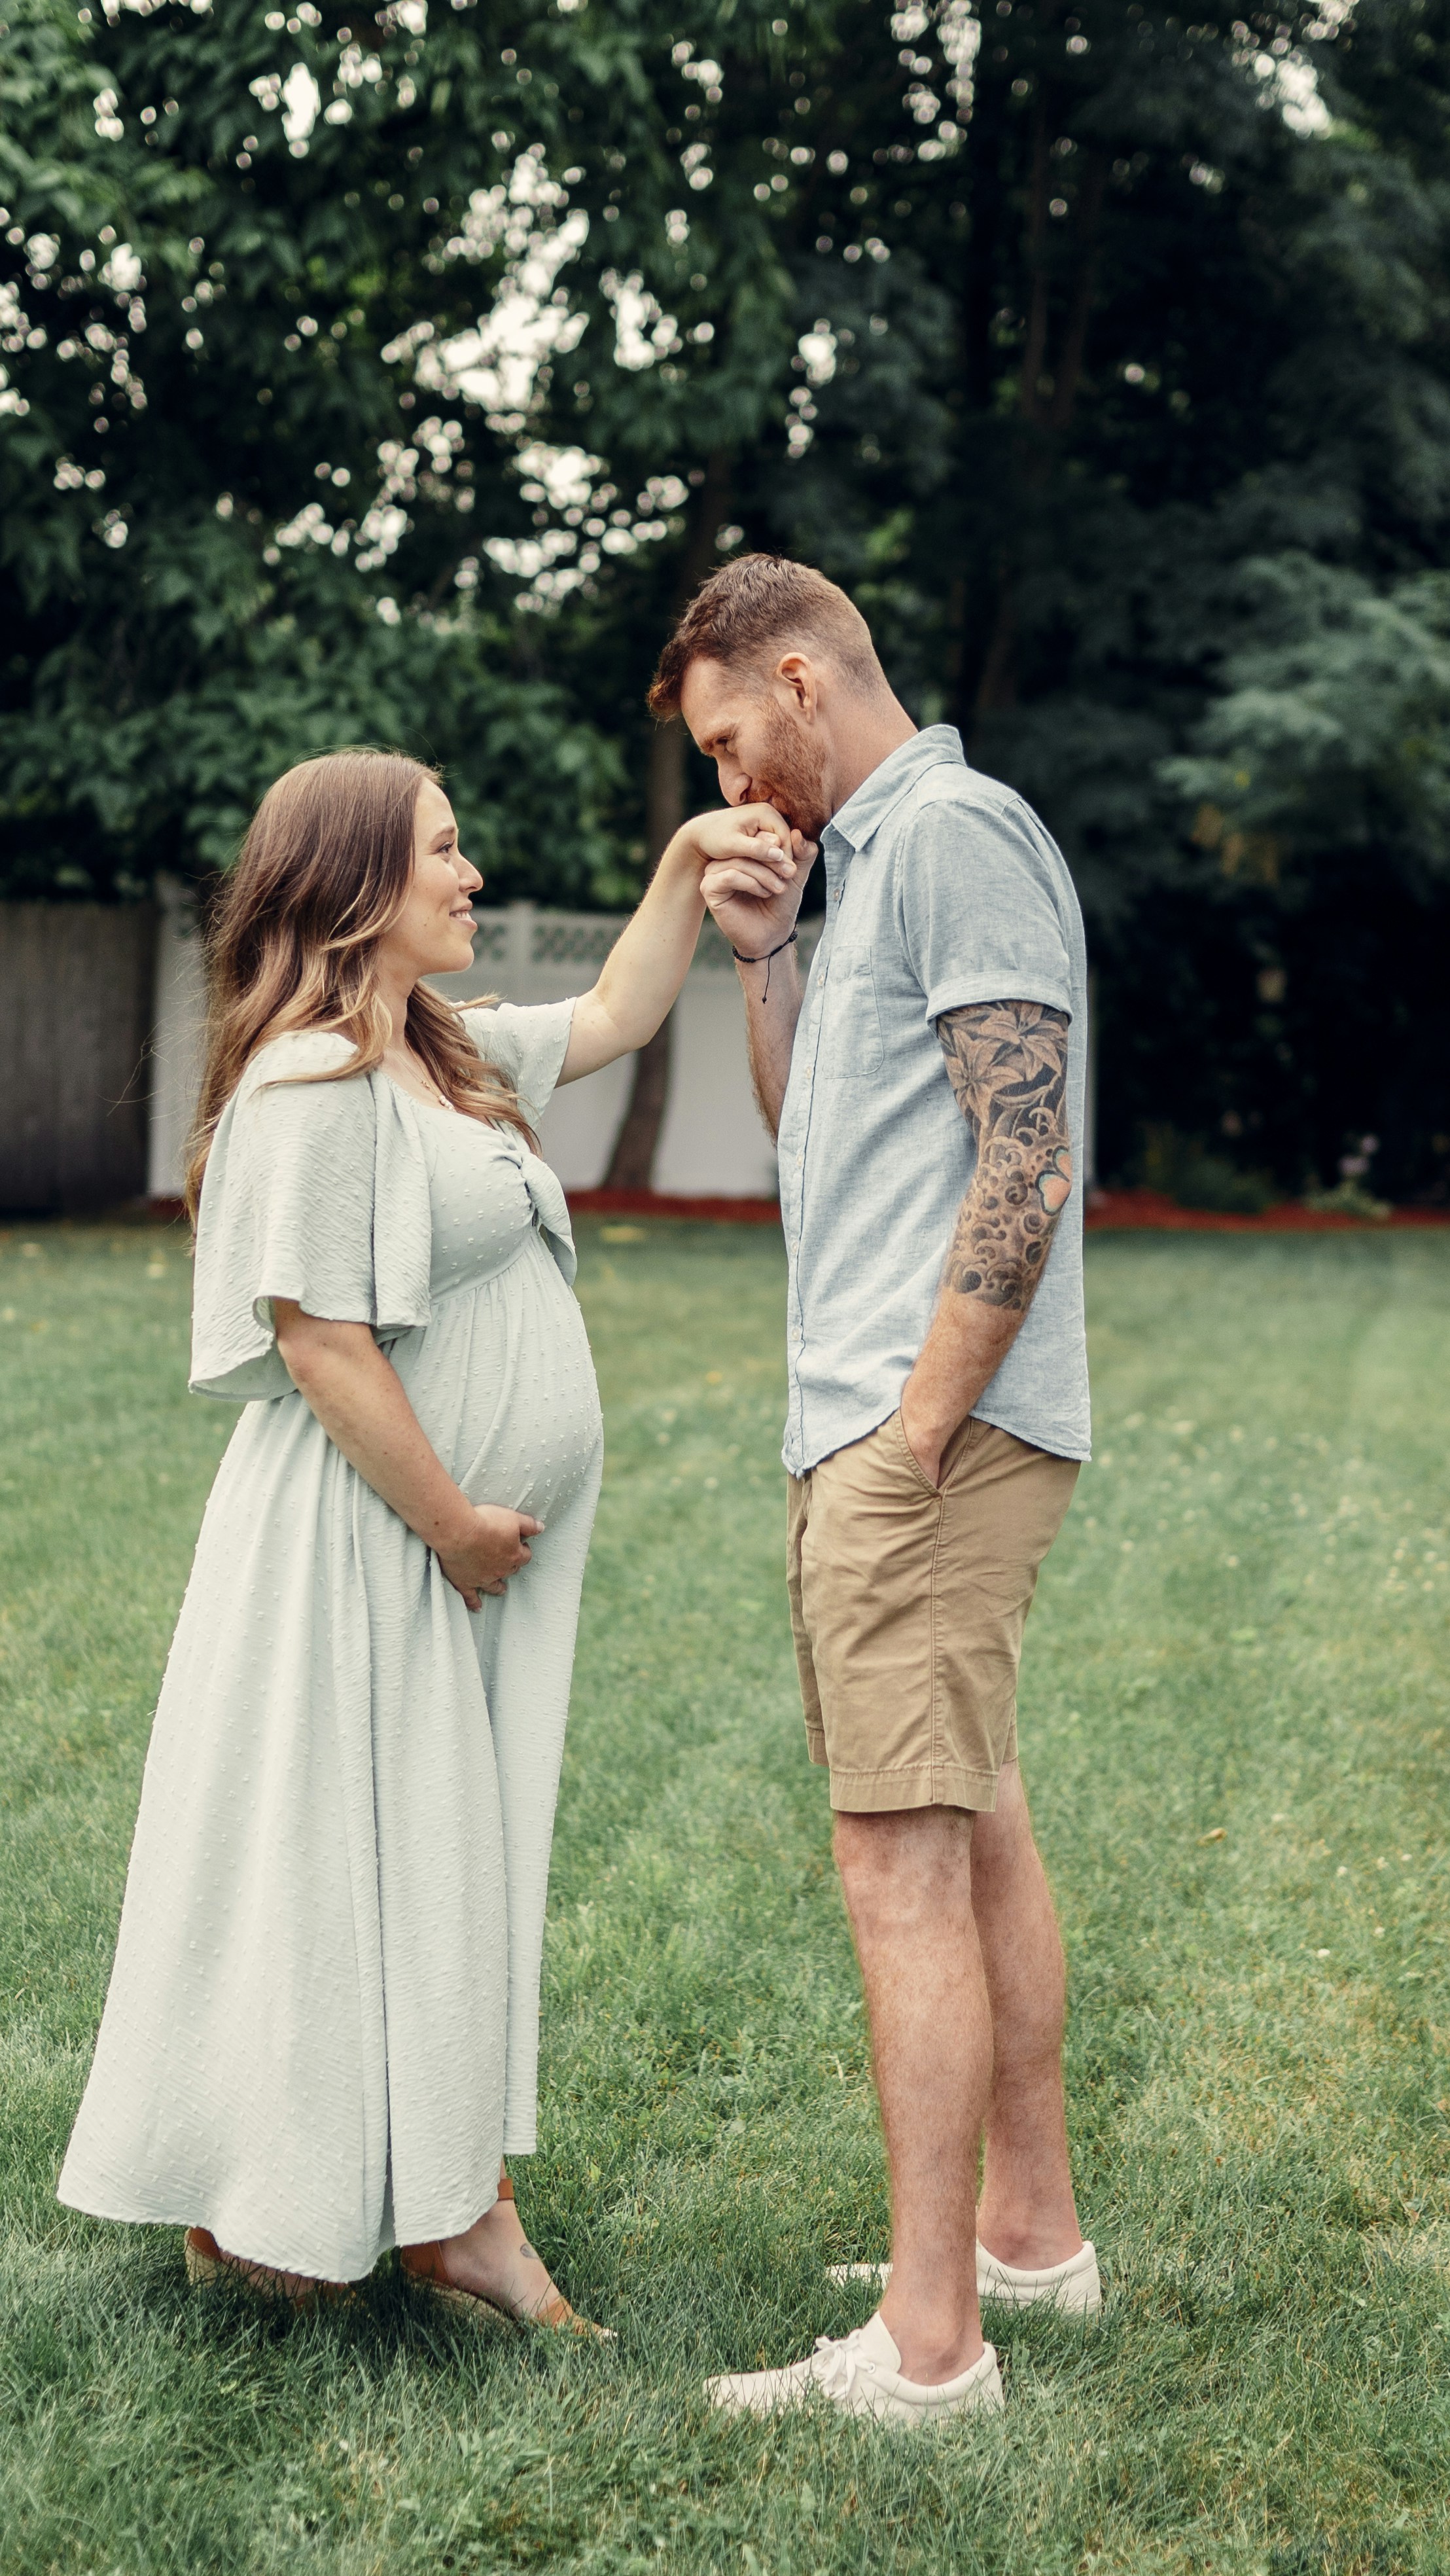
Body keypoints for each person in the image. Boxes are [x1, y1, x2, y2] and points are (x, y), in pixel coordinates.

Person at [58, 745, 804, 2326]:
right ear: (353, 887)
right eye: (445, 853)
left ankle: (359, 2201)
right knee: (353, 1861)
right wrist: (457, 1523)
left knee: (427, 1862)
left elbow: (609, 1016)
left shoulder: (437, 1051)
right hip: (365, 1547)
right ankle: (410, 2212)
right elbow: (322, 1340)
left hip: (437, 1559)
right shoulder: (309, 1083)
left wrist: (681, 867)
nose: (472, 878)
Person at [652, 556, 1096, 2424]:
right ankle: (1026, 2246)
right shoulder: (854, 878)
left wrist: (913, 1432)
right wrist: (767, 954)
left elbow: (1028, 1141)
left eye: (737, 742)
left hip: (921, 1437)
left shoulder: (951, 835)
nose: (733, 788)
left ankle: (928, 2355)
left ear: (803, 673)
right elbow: (809, 1140)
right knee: (971, 1814)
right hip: (872, 1425)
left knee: (894, 1862)